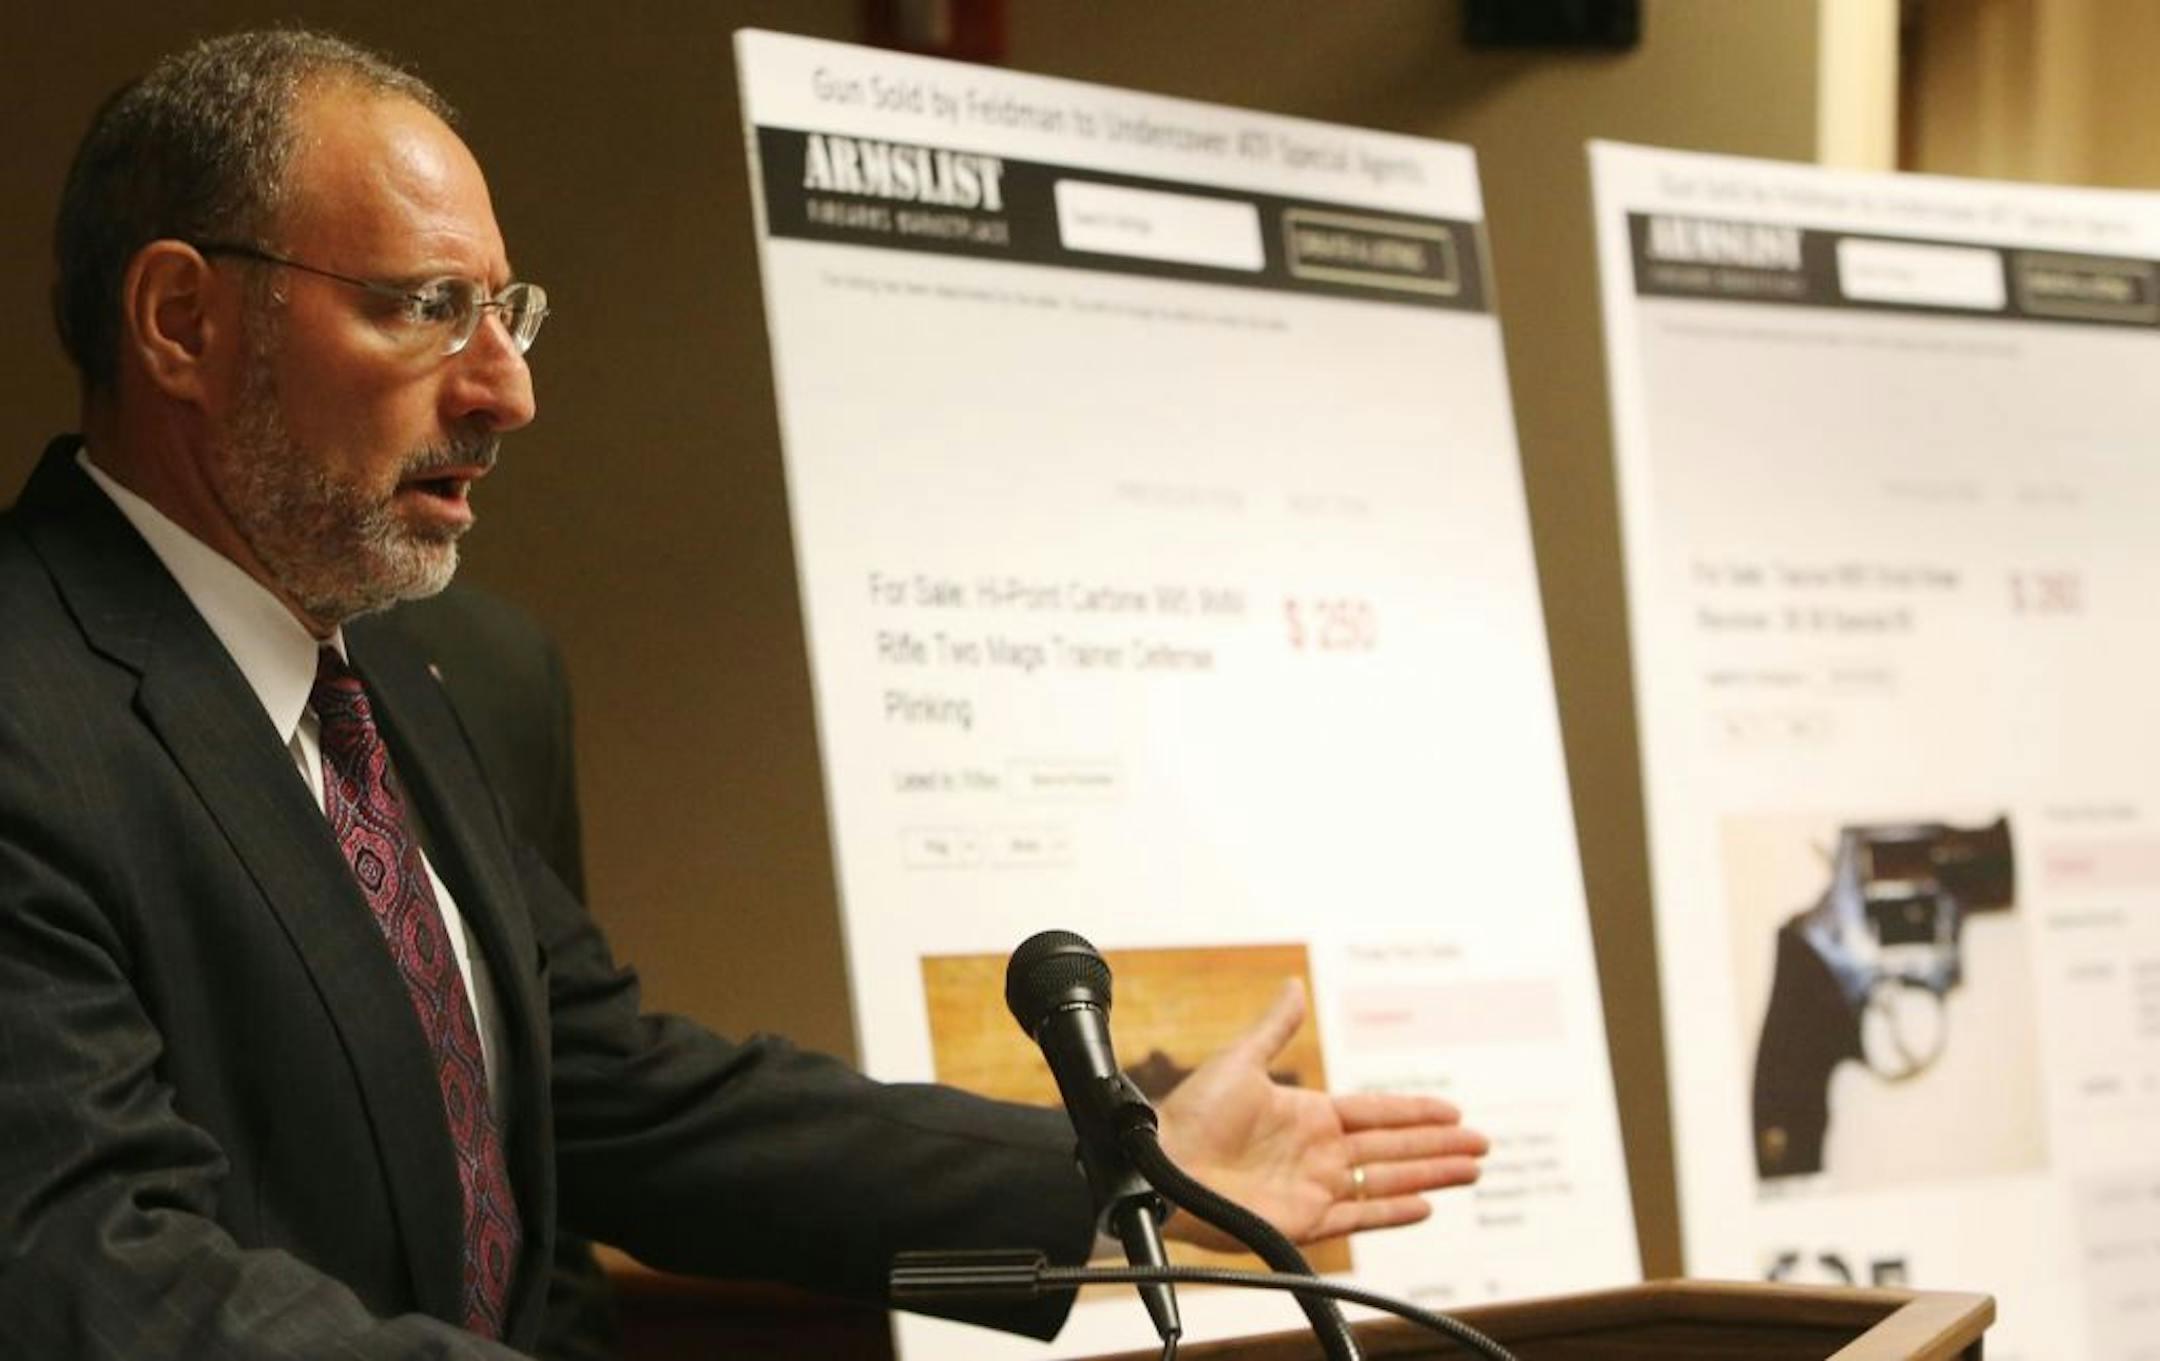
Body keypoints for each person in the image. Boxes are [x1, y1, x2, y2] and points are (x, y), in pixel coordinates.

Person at [0, 29, 1489, 1359]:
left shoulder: (421, 672)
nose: (507, 389)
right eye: (428, 307)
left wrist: (1109, 1172)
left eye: (506, 312)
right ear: (183, 321)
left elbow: (613, 1097)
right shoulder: (29, 703)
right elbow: (91, 1268)